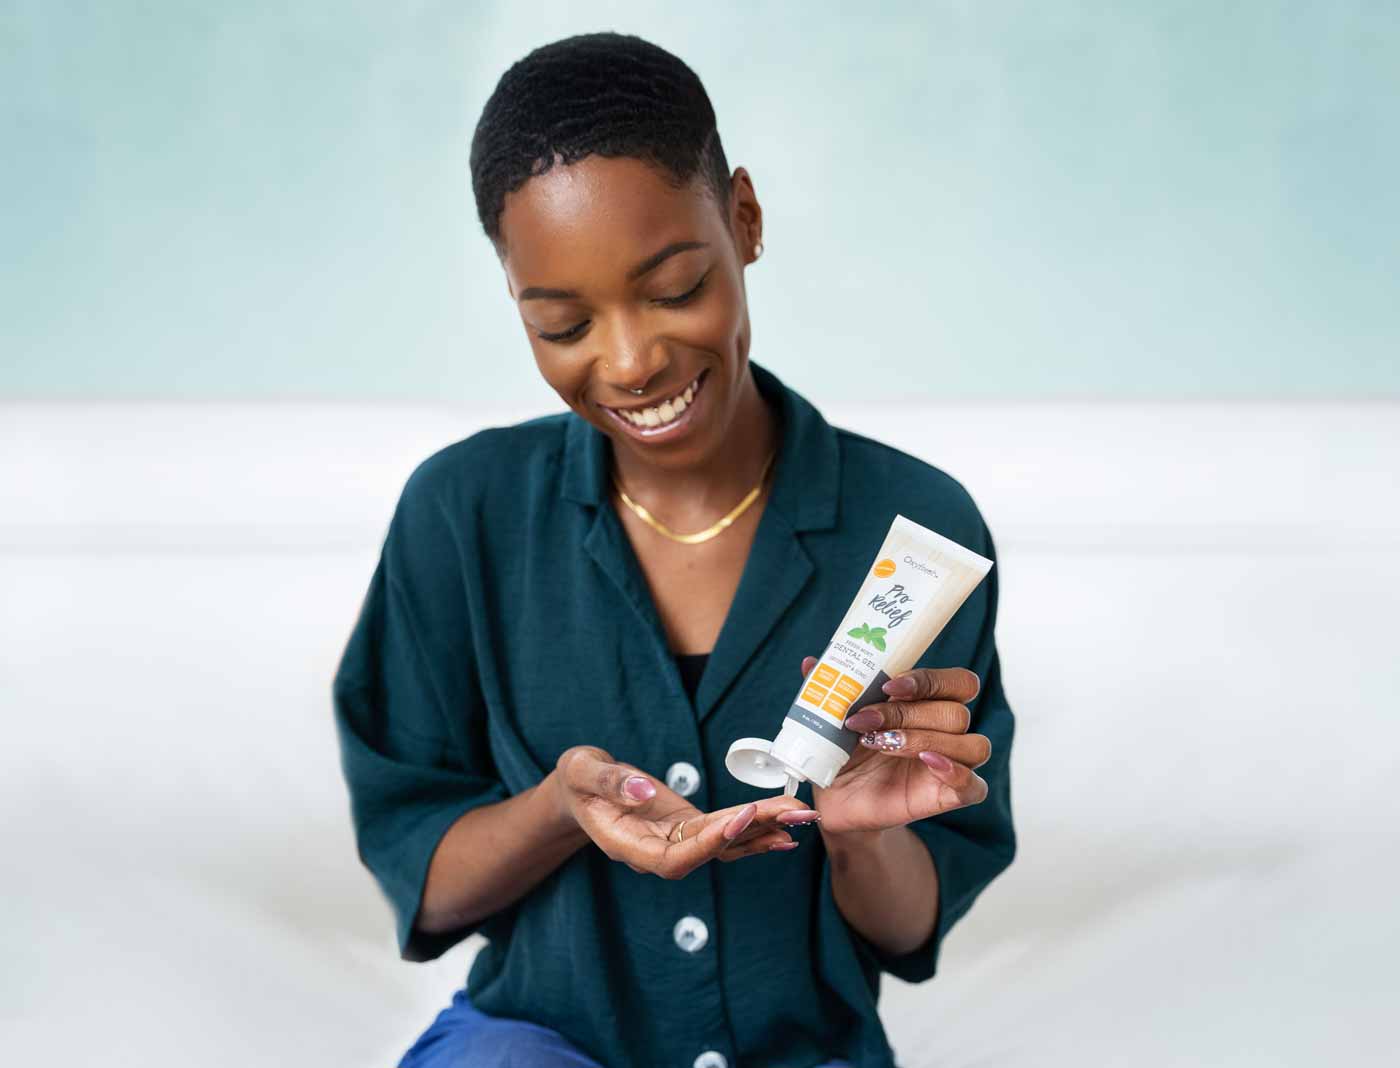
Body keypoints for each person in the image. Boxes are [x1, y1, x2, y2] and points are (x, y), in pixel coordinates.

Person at [332, 31, 1016, 1068]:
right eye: (564, 325)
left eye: (674, 288)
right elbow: (422, 879)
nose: (630, 361)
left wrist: (862, 832)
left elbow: (908, 929)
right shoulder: (462, 514)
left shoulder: (913, 527)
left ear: (743, 219)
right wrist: (561, 809)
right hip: (534, 1044)